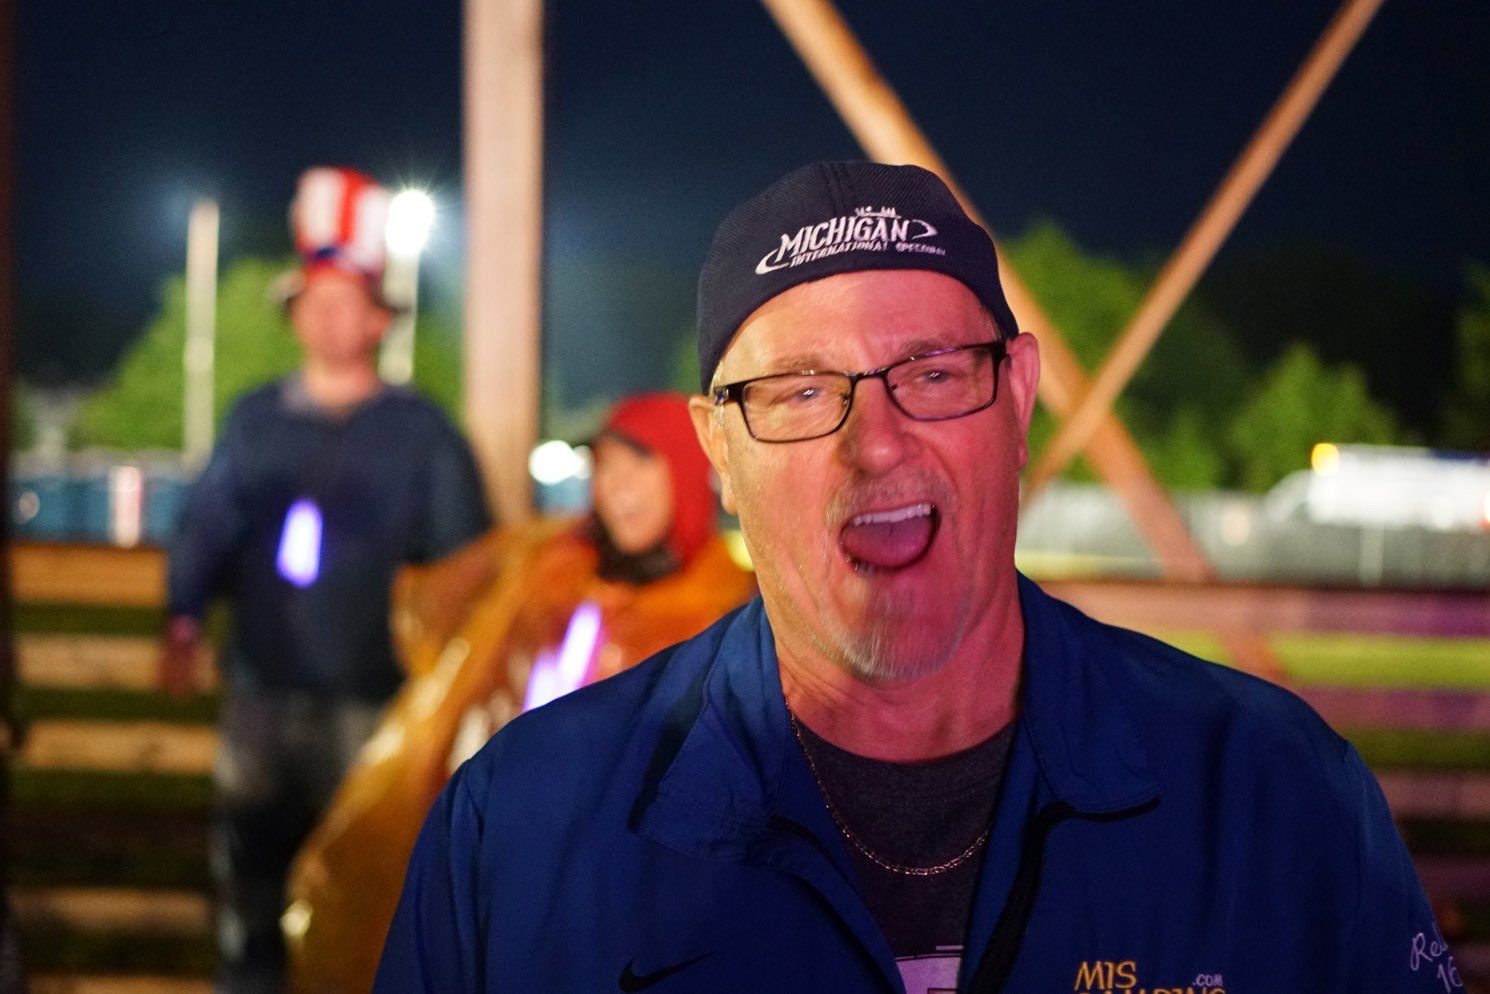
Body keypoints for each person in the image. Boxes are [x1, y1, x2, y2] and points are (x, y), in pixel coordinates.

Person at [373, 162, 1453, 994]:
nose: (874, 444)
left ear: (1016, 398)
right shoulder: (516, 836)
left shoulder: (1274, 797)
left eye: (931, 375)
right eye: (797, 392)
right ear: (719, 455)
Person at [283, 392, 755, 994]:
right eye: (604, 467)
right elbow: (466, 707)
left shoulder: (721, 609)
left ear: (687, 472)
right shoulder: (550, 579)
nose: (617, 487)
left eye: (640, 464)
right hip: (515, 869)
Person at [161, 166, 491, 994]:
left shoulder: (421, 435)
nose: (328, 314)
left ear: (380, 318)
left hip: (370, 703)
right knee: (250, 880)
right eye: (314, 298)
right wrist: (182, 619)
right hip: (262, 693)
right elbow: (206, 526)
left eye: (346, 299)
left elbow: (465, 562)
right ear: (295, 313)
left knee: (365, 885)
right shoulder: (254, 421)